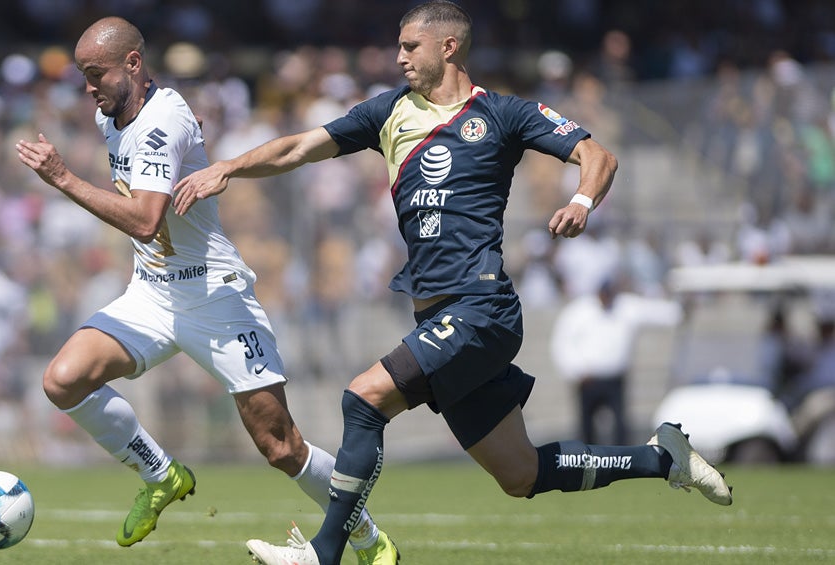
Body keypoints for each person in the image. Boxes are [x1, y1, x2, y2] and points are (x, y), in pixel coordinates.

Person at [172, 3, 733, 564]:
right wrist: (228, 167)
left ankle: (326, 554)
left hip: (480, 308)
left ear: (447, 48)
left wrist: (582, 201)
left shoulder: (503, 113)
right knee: (522, 473)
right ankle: (665, 459)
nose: (398, 57)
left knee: (364, 399)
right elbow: (298, 146)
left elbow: (597, 154)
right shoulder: (388, 112)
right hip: (437, 317)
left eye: (409, 46)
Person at [15, 17, 398, 563]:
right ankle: (161, 474)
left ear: (132, 63)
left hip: (215, 298)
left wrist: (63, 178)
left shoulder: (160, 122)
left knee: (280, 445)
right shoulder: (114, 116)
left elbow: (147, 220)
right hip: (151, 294)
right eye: (82, 76)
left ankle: (367, 538)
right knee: (63, 380)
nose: (88, 87)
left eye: (94, 73)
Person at [550, 276, 683, 444]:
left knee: (620, 425)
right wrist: (575, 371)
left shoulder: (625, 306)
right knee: (587, 426)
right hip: (588, 380)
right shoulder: (579, 311)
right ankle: (588, 463)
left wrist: (679, 310)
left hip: (615, 378)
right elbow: (562, 342)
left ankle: (622, 464)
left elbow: (653, 313)